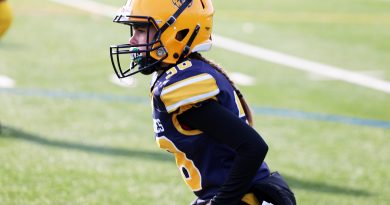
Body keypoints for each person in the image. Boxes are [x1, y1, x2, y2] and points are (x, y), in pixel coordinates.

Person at [110, 0, 296, 204]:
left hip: (245, 197)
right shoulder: (183, 72)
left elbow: (254, 147)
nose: (132, 41)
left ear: (177, 32)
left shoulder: (183, 86)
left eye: (141, 30)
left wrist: (220, 202)